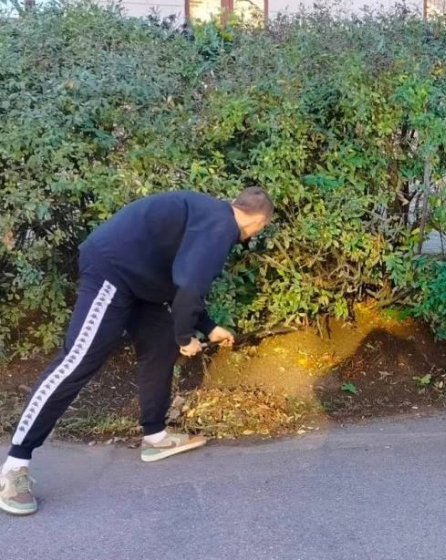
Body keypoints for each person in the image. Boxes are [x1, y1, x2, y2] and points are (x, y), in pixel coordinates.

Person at [0, 187, 274, 515]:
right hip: (112, 272)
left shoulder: (211, 216)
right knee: (77, 361)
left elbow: (180, 278)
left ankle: (155, 437)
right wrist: (186, 336)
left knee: (160, 342)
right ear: (259, 222)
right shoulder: (222, 226)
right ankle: (14, 466)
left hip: (138, 281)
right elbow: (190, 283)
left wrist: (207, 326)